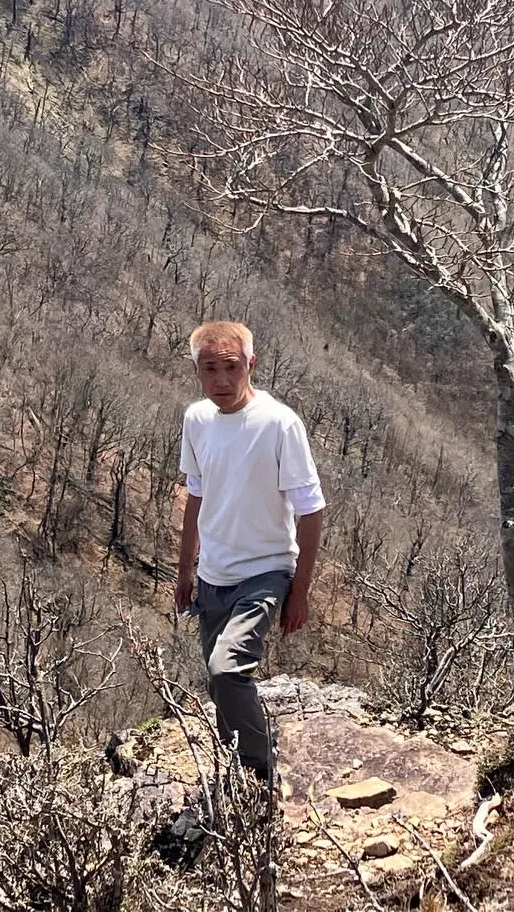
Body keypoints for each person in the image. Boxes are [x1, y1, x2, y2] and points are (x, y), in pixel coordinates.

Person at [174, 320, 325, 781]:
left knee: (226, 671)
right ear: (197, 371)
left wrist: (300, 591)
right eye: (210, 369)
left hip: (265, 569)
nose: (221, 380)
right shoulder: (197, 420)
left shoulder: (279, 424)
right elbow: (196, 496)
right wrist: (185, 571)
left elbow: (312, 509)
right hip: (213, 574)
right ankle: (236, 774)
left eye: (231, 367)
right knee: (220, 684)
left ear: (251, 364)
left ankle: (260, 773)